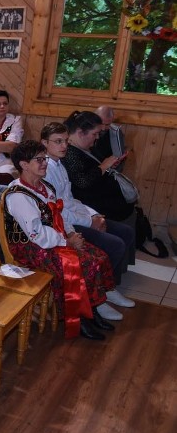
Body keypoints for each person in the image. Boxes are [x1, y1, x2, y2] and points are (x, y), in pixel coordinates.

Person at [3, 140, 118, 340]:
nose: (44, 163)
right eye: (38, 159)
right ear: (23, 165)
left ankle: (92, 310)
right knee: (83, 264)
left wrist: (71, 233)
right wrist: (66, 242)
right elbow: (36, 233)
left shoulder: (45, 186)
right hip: (30, 246)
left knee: (98, 257)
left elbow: (60, 216)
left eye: (44, 158)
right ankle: (79, 317)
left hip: (55, 237)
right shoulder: (18, 195)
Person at [41, 122, 135, 317]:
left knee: (126, 232)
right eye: (58, 142)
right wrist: (88, 222)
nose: (64, 146)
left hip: (78, 215)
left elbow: (72, 200)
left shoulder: (60, 164)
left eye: (66, 141)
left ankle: (107, 288)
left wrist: (93, 215)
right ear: (44, 143)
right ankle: (97, 297)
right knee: (115, 244)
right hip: (63, 223)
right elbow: (58, 210)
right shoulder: (46, 169)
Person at [62, 111, 136, 228]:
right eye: (95, 134)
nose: (97, 137)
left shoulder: (84, 146)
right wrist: (104, 166)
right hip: (91, 204)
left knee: (129, 209)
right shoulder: (69, 152)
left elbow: (92, 168)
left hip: (103, 199)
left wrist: (109, 165)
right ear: (81, 133)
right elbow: (83, 181)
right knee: (126, 221)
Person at [92, 106, 128, 172]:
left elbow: (118, 159)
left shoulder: (115, 133)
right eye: (101, 123)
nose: (103, 128)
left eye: (107, 124)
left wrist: (115, 163)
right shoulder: (85, 130)